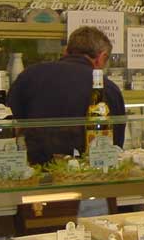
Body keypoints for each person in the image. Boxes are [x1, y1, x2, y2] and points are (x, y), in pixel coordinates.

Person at [8, 26, 125, 165]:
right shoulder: (107, 88)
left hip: (36, 173)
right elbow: (115, 147)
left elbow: (8, 126)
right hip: (89, 174)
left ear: (66, 51)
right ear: (102, 57)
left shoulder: (29, 75)